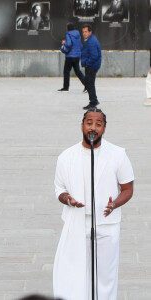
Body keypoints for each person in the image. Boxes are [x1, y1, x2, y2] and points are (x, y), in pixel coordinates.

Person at [53, 108, 134, 300]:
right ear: (82, 125)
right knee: (73, 274)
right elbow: (59, 190)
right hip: (76, 224)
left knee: (105, 277)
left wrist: (114, 204)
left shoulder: (118, 155)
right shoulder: (66, 156)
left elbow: (128, 189)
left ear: (104, 129)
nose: (93, 127)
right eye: (89, 122)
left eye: (99, 124)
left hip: (106, 226)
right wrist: (68, 200)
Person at [58, 23, 85, 92]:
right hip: (77, 56)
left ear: (67, 28)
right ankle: (87, 85)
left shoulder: (68, 34)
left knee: (66, 71)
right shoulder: (78, 34)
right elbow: (80, 45)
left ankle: (65, 87)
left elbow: (69, 44)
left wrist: (64, 43)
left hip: (70, 56)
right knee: (78, 72)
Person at [81, 24, 102, 110]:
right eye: (83, 32)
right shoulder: (89, 40)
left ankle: (93, 102)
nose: (84, 33)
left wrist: (87, 63)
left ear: (90, 32)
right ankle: (93, 101)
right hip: (91, 65)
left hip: (91, 66)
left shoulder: (91, 41)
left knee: (90, 84)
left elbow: (94, 55)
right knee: (89, 84)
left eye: (86, 31)